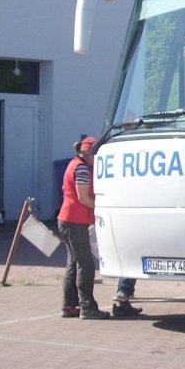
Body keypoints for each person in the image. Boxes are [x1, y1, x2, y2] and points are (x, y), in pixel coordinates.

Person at [57, 137, 108, 320]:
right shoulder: (81, 168)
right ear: (89, 153)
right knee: (85, 265)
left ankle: (69, 306)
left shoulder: (76, 164)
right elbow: (83, 198)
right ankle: (87, 306)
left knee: (73, 263)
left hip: (68, 220)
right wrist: (102, 207)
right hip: (74, 221)